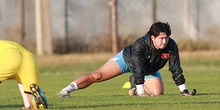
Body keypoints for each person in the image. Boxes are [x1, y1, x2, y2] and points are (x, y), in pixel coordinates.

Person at [58, 21, 196, 98]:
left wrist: (183, 90)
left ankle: (134, 83)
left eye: (166, 38)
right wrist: (141, 93)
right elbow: (138, 67)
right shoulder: (140, 44)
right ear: (152, 38)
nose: (164, 41)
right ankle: (66, 90)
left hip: (149, 69)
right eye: (161, 38)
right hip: (128, 61)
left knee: (157, 93)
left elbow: (175, 68)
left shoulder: (171, 45)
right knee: (97, 76)